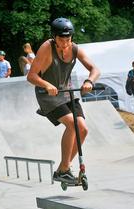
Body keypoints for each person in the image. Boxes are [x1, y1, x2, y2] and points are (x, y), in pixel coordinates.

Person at [27, 17, 100, 183]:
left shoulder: (74, 48)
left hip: (66, 92)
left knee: (83, 130)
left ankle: (62, 169)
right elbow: (31, 76)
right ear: (54, 37)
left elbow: (95, 69)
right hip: (48, 95)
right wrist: (46, 84)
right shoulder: (47, 47)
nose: (66, 43)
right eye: (61, 39)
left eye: (68, 39)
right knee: (72, 124)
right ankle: (64, 169)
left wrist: (89, 81)